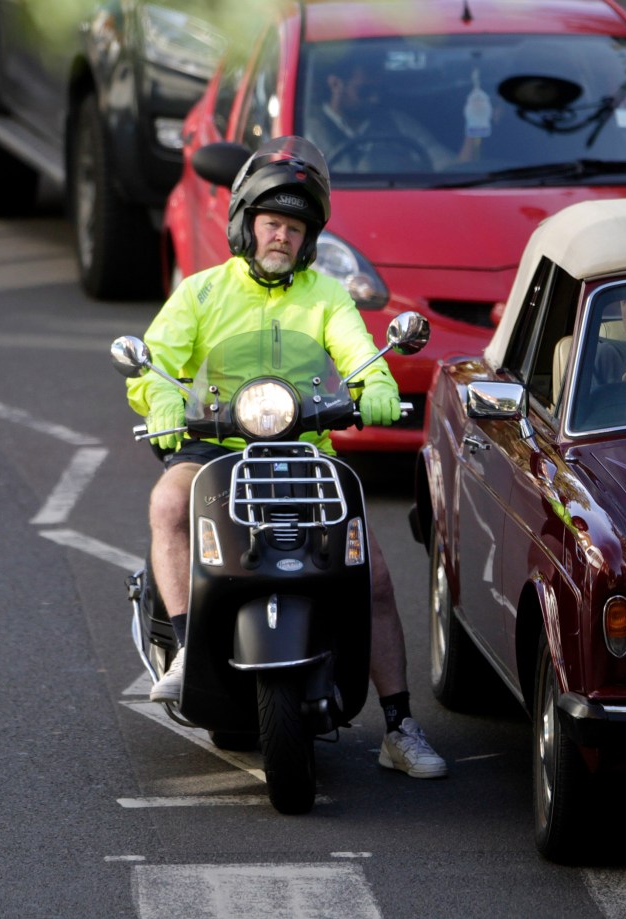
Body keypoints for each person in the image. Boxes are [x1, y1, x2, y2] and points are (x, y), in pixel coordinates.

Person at [124, 135, 447, 779]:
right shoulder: (203, 292)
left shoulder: (326, 296)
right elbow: (156, 363)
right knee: (167, 502)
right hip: (215, 449)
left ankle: (399, 724)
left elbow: (356, 351)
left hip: (307, 454)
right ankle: (189, 651)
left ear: (309, 237)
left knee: (375, 577)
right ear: (247, 224)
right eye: (272, 222)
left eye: (295, 227)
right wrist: (159, 401)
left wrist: (376, 384)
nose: (282, 236)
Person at [304, 58, 456, 171]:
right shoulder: (306, 131)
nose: (374, 99)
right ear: (335, 84)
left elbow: (444, 163)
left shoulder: (398, 123)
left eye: (378, 91)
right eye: (365, 91)